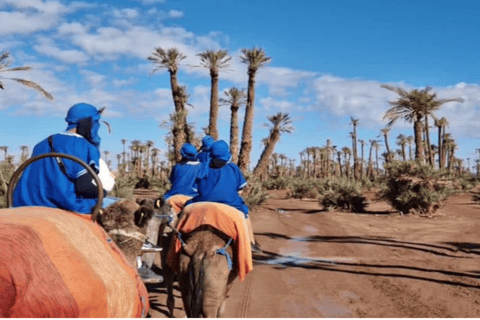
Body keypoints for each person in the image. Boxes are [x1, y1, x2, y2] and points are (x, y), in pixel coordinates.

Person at [13, 102, 115, 213]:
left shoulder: (41, 144)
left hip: (23, 203)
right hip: (62, 205)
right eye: (96, 122)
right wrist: (104, 191)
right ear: (88, 123)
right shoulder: (83, 146)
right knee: (111, 204)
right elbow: (84, 187)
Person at [184, 140, 259, 252]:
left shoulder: (202, 168)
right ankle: (249, 244)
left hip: (202, 203)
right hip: (230, 204)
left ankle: (174, 249)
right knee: (244, 216)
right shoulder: (233, 168)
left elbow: (194, 190)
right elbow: (240, 191)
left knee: (182, 217)